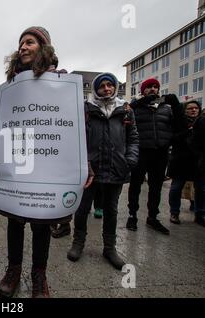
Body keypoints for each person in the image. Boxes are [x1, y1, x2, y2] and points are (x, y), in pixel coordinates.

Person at [0, 26, 87, 298]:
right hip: (17, 166)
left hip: (47, 168)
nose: (23, 47)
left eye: (29, 42)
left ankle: (39, 274)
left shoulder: (62, 82)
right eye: (20, 43)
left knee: (42, 222)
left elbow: (76, 128)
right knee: (15, 221)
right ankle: (13, 269)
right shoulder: (10, 87)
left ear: (43, 47)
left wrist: (86, 163)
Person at [67, 73, 139, 270]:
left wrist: (130, 160)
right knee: (82, 209)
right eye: (102, 86)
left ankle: (110, 248)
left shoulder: (125, 110)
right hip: (90, 169)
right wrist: (83, 163)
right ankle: (78, 243)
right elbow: (77, 137)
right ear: (95, 89)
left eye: (110, 85)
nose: (107, 89)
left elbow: (133, 138)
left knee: (111, 211)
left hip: (116, 167)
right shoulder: (86, 109)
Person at [126, 78, 174, 235]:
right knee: (136, 185)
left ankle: (152, 217)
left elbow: (174, 125)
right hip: (141, 152)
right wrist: (139, 103)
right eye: (149, 87)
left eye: (155, 87)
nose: (153, 89)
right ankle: (132, 215)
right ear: (143, 90)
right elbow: (127, 118)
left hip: (160, 153)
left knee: (156, 187)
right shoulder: (136, 106)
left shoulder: (166, 107)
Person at [167, 100, 201, 224]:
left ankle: (199, 214)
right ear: (185, 110)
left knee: (200, 189)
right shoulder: (179, 122)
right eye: (190, 108)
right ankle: (174, 213)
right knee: (176, 187)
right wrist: (188, 131)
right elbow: (172, 138)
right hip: (180, 160)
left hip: (198, 161)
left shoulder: (202, 122)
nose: (193, 110)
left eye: (196, 108)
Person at [192, 105, 205, 226]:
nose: (193, 111)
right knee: (201, 188)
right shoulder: (201, 121)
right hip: (200, 158)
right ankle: (200, 213)